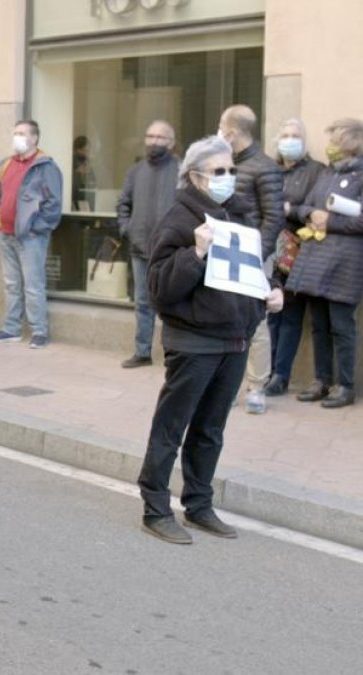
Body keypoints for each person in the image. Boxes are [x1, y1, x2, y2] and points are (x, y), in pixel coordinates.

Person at [138, 136, 283, 545]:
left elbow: (251, 269)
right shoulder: (178, 221)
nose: (229, 178)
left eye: (232, 170)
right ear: (197, 176)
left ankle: (199, 504)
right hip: (194, 341)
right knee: (172, 426)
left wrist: (271, 292)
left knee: (210, 429)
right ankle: (155, 507)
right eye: (220, 171)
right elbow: (159, 288)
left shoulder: (236, 215)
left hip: (234, 339)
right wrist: (196, 254)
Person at [285, 118, 363, 409]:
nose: (329, 146)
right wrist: (310, 215)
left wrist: (331, 221)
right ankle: (322, 380)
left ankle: (345, 386)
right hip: (317, 260)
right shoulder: (326, 173)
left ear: (351, 142)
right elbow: (305, 205)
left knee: (342, 326)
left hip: (346, 263)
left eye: (335, 139)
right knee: (319, 324)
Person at [218, 104, 284, 414]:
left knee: (256, 323)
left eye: (221, 126)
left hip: (254, 255)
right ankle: (228, 385)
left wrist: (257, 253)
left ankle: (257, 386)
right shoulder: (223, 162)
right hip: (224, 251)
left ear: (231, 132)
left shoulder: (265, 167)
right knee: (226, 320)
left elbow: (273, 217)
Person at [0, 120, 63, 349]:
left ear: (34, 139)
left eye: (22, 133)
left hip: (30, 237)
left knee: (33, 284)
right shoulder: (6, 164)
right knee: (11, 284)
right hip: (5, 233)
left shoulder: (45, 167)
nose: (17, 137)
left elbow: (53, 205)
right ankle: (11, 329)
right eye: (15, 132)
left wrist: (36, 228)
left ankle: (39, 331)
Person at [266, 119, 325, 396]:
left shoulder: (316, 172)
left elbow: (318, 209)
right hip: (269, 250)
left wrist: (292, 209)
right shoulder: (271, 170)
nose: (290, 140)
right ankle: (267, 371)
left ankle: (280, 375)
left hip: (299, 252)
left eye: (296, 135)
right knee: (270, 314)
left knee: (290, 315)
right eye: (285, 135)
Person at [117, 120, 178, 368]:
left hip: (172, 249)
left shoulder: (182, 170)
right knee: (143, 302)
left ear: (171, 143)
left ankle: (173, 354)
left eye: (161, 137)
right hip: (140, 247)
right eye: (150, 136)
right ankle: (142, 352)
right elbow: (123, 204)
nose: (154, 141)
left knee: (173, 304)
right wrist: (127, 228)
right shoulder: (135, 171)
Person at [72, 135, 97, 212]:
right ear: (78, 149)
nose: (88, 152)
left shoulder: (86, 162)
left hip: (86, 196)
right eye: (85, 149)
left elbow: (93, 181)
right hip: (77, 197)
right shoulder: (74, 161)